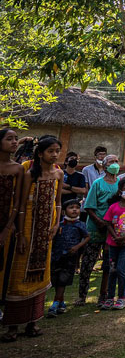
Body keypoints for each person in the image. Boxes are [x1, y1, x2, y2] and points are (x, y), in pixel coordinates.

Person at [2, 137, 63, 341]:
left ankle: (33, 322)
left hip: (46, 231)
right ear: (40, 153)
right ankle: (12, 326)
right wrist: (19, 234)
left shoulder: (58, 173)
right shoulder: (29, 174)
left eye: (57, 151)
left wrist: (56, 224)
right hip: (28, 227)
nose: (54, 155)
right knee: (18, 275)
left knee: (42, 275)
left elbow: (58, 202)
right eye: (50, 151)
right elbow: (19, 206)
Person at [78, 155, 120, 306]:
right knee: (88, 263)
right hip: (96, 228)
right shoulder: (97, 183)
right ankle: (82, 296)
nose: (114, 164)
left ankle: (104, 295)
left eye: (116, 161)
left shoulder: (121, 184)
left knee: (109, 265)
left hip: (114, 230)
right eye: (111, 162)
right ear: (104, 166)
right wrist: (99, 221)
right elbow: (89, 206)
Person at [100, 176, 125, 310]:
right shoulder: (113, 207)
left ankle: (122, 297)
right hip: (113, 243)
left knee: (120, 269)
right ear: (120, 190)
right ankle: (110, 297)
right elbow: (108, 222)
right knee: (112, 270)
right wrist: (115, 236)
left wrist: (124, 236)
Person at [0, 129, 25, 334]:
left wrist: (9, 226)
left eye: (16, 139)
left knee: (3, 266)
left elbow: (17, 202)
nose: (14, 142)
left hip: (6, 223)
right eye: (9, 139)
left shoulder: (17, 169)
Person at [47, 199, 89, 317]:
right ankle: (61, 302)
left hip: (70, 257)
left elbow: (87, 237)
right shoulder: (58, 225)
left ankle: (55, 303)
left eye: (77, 207)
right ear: (64, 211)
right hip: (56, 255)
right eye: (71, 207)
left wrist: (77, 247)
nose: (75, 209)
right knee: (56, 279)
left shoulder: (80, 225)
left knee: (62, 279)